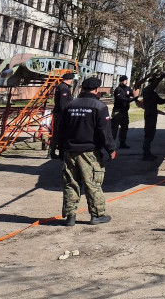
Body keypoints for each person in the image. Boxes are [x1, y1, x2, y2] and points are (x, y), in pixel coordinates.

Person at [58, 76, 115, 226]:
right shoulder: (99, 106)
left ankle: (70, 217)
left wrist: (58, 148)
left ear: (82, 88)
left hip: (70, 151)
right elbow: (105, 131)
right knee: (93, 184)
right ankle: (97, 215)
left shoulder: (70, 105)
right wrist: (111, 149)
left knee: (71, 183)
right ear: (96, 90)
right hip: (89, 152)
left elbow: (60, 130)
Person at [141, 72, 165, 161]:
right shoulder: (147, 90)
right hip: (149, 115)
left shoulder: (153, 93)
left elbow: (160, 101)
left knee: (151, 134)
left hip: (153, 115)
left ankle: (148, 153)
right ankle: (146, 154)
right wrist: (161, 76)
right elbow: (154, 85)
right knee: (148, 134)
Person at [48, 71, 74, 159]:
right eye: (71, 80)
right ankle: (59, 153)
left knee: (57, 133)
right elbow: (63, 104)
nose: (71, 81)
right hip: (61, 114)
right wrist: (66, 115)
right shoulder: (64, 88)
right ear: (68, 80)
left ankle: (52, 152)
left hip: (58, 113)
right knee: (60, 133)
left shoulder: (61, 86)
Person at [111, 75, 136, 149]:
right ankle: (111, 145)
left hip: (124, 111)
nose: (126, 82)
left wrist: (135, 93)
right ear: (122, 81)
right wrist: (131, 100)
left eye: (127, 80)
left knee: (124, 127)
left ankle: (122, 143)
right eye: (125, 81)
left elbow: (132, 94)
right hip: (117, 111)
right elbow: (121, 99)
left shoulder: (128, 88)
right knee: (114, 128)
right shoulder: (118, 90)